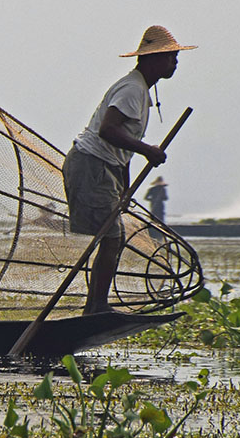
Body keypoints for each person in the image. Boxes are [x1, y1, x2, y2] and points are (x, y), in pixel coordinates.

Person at [62, 25, 195, 314]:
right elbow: (108, 131)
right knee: (112, 237)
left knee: (113, 236)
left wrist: (124, 186)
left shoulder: (140, 92)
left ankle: (95, 305)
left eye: (175, 57)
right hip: (91, 165)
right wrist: (149, 150)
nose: (174, 63)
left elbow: (124, 147)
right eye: (170, 57)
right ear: (152, 59)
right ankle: (96, 307)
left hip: (103, 168)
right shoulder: (133, 89)